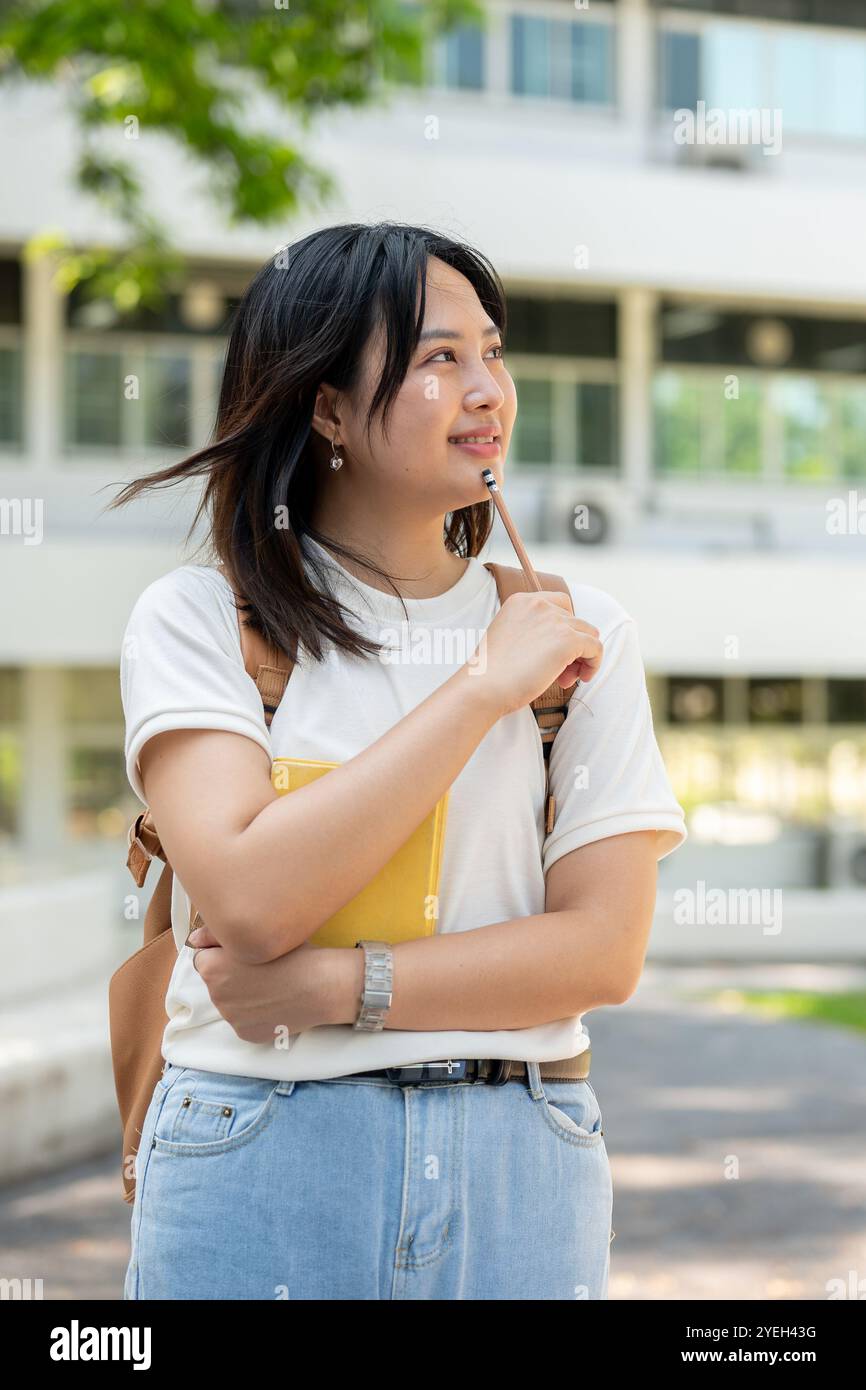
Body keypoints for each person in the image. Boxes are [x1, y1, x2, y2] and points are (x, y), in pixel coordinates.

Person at [114, 221, 687, 1301]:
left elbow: (601, 953)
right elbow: (249, 900)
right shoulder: (199, 619)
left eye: (492, 352)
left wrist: (339, 985)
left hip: (520, 1154)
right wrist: (476, 692)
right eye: (438, 358)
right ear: (325, 407)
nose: (488, 391)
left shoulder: (575, 634)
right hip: (258, 1149)